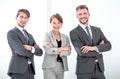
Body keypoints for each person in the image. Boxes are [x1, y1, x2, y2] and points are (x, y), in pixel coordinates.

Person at [70, 5, 111, 79]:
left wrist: (94, 48)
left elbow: (108, 45)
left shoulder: (97, 30)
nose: (83, 16)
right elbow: (81, 52)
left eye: (85, 13)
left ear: (89, 14)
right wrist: (100, 50)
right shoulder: (74, 32)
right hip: (84, 71)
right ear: (77, 16)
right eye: (80, 14)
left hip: (99, 69)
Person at [7, 9, 43, 79]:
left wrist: (31, 48)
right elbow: (21, 51)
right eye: (21, 17)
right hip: (18, 69)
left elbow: (40, 52)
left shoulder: (30, 36)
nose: (23, 20)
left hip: (30, 70)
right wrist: (34, 50)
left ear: (28, 20)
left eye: (25, 18)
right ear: (16, 17)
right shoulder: (11, 33)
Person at [42, 13, 71, 79]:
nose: (56, 25)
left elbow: (68, 52)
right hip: (49, 67)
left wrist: (54, 49)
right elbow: (48, 50)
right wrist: (63, 48)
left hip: (61, 66)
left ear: (61, 24)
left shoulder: (65, 37)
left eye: (58, 23)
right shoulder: (47, 35)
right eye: (54, 23)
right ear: (50, 23)